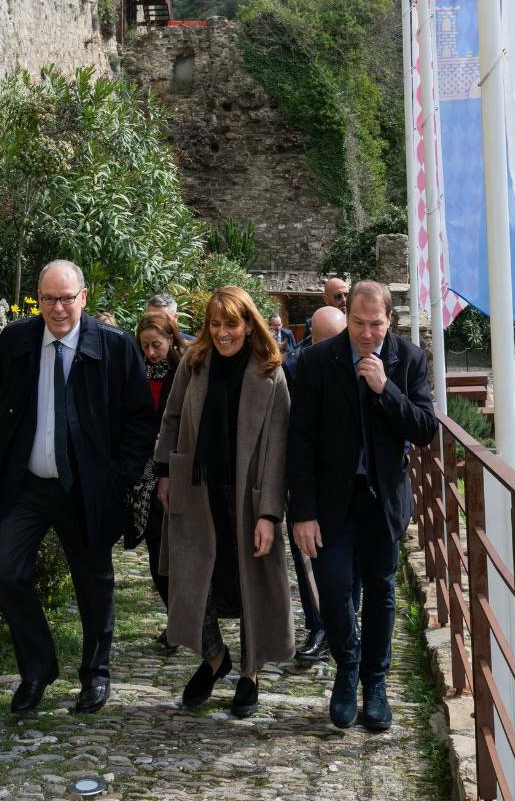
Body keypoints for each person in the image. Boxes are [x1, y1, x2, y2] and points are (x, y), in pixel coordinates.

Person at [0, 261, 157, 716]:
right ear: (38, 299)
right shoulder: (17, 340)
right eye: (49, 298)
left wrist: (117, 477)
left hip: (87, 488)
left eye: (67, 297)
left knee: (94, 583)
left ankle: (95, 673)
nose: (59, 308)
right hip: (28, 485)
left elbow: (140, 421)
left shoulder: (115, 347)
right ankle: (38, 669)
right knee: (5, 570)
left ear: (84, 297)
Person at [288, 280, 435, 733]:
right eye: (358, 323)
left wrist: (385, 388)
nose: (367, 333)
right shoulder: (316, 360)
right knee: (333, 589)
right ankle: (346, 668)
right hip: (332, 502)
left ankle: (374, 683)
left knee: (380, 590)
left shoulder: (409, 359)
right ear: (345, 315)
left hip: (382, 501)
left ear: (389, 320)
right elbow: (301, 442)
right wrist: (302, 512)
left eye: (376, 324)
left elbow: (426, 428)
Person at [155, 286, 294, 718]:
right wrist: (164, 472)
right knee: (192, 578)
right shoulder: (195, 363)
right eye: (215, 325)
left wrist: (270, 513)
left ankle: (250, 672)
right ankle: (215, 658)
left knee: (252, 582)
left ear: (248, 323)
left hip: (249, 495)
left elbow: (278, 450)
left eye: (230, 324)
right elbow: (172, 418)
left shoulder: (270, 373)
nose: (222, 333)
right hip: (196, 491)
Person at [282, 303, 356, 665]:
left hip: (345, 485)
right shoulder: (294, 369)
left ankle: (345, 628)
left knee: (347, 565)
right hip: (306, 480)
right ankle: (318, 626)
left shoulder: (359, 364)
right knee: (306, 556)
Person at [127, 308, 186, 648]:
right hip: (144, 476)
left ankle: (184, 621)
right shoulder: (136, 372)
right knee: (155, 549)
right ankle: (175, 620)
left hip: (176, 472)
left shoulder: (184, 371)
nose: (151, 352)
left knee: (177, 552)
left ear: (170, 340)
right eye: (146, 345)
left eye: (157, 345)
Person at [299, 277, 349, 347]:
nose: (344, 300)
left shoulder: (358, 320)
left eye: (347, 295)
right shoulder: (315, 322)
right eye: (338, 296)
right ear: (326, 299)